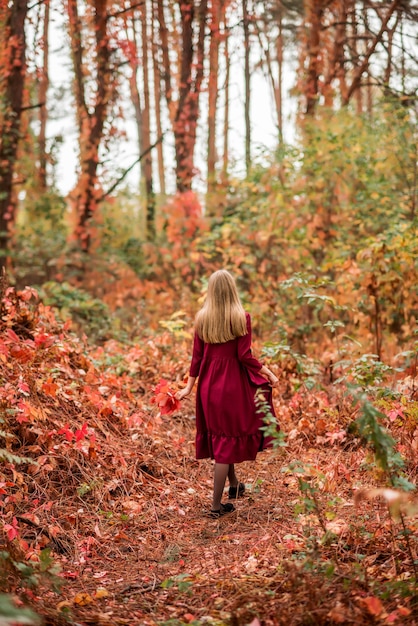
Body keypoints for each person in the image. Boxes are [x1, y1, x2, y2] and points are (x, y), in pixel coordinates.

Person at [176, 269, 279, 518]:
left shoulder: (202, 318)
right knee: (225, 442)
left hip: (209, 387)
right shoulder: (241, 317)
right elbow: (244, 356)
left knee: (222, 436)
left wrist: (189, 387)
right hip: (232, 386)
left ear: (211, 291)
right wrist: (269, 373)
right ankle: (215, 507)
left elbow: (197, 358)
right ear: (232, 289)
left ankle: (234, 486)